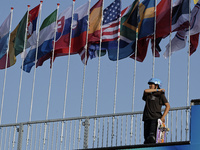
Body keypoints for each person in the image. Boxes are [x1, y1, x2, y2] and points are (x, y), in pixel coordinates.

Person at [142, 78, 170, 144]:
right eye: (149, 84)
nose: (150, 86)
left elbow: (168, 106)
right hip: (146, 118)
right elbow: (145, 91)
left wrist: (163, 117)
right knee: (146, 139)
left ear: (156, 85)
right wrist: (157, 89)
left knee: (152, 137)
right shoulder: (148, 95)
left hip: (155, 118)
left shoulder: (161, 95)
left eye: (152, 84)